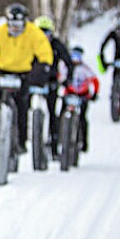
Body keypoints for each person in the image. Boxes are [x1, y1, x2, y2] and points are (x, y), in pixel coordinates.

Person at [0, 3, 53, 153]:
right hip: (3, 72)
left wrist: (42, 67)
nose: (15, 28)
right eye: (12, 24)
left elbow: (44, 52)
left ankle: (21, 141)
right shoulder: (0, 33)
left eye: (18, 24)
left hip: (24, 74)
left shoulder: (34, 33)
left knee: (22, 107)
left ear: (24, 22)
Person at [33, 15, 73, 159]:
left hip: (51, 82)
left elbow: (68, 62)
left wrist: (68, 79)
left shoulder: (56, 45)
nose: (44, 36)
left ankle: (55, 146)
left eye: (47, 33)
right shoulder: (30, 44)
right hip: (32, 82)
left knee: (52, 112)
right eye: (40, 32)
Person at [64, 46, 99, 152]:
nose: (75, 59)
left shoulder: (85, 68)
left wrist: (94, 94)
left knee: (82, 118)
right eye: (73, 56)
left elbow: (95, 81)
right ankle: (60, 138)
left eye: (77, 56)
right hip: (69, 94)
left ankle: (83, 142)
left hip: (82, 96)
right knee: (61, 113)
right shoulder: (66, 67)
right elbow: (60, 77)